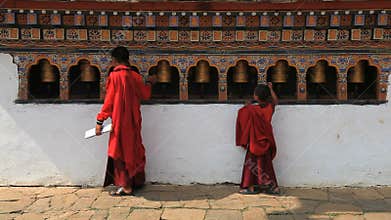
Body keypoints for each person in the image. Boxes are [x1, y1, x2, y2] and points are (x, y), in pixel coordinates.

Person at [95, 46, 156, 196]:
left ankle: (126, 186)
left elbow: (109, 103)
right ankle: (137, 181)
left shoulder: (114, 77)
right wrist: (149, 83)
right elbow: (145, 94)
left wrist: (99, 121)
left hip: (119, 123)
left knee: (119, 152)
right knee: (134, 150)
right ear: (127, 59)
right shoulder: (134, 76)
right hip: (134, 122)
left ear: (114, 60)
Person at [235, 82, 280, 195]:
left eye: (255, 94)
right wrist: (271, 89)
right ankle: (273, 187)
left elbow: (241, 116)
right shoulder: (270, 108)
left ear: (256, 96)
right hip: (266, 142)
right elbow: (275, 101)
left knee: (251, 165)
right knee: (267, 165)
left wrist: (246, 106)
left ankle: (249, 187)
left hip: (255, 142)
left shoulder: (251, 109)